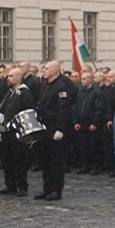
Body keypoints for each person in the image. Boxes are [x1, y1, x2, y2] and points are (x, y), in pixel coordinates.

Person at [34, 60, 75, 200]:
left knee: (56, 161)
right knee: (45, 160)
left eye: (46, 68)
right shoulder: (44, 85)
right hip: (44, 127)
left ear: (55, 71)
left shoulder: (61, 87)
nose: (43, 70)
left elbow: (64, 110)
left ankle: (56, 190)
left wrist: (60, 129)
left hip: (54, 127)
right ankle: (47, 188)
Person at [0, 67, 36, 197]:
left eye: (11, 76)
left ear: (19, 78)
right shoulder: (10, 93)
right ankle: (10, 185)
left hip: (18, 131)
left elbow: (27, 111)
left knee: (19, 160)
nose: (8, 78)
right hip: (7, 130)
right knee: (7, 159)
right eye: (8, 76)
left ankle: (22, 186)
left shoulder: (25, 93)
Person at [73, 70, 103, 175]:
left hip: (91, 122)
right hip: (81, 122)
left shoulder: (96, 92)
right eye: (82, 78)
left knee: (93, 146)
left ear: (90, 80)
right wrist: (75, 121)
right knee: (83, 146)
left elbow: (99, 109)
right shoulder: (80, 92)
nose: (82, 81)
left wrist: (95, 123)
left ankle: (94, 166)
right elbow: (76, 107)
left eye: (85, 79)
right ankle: (85, 165)